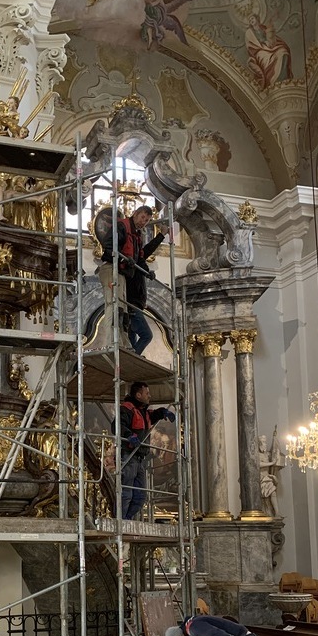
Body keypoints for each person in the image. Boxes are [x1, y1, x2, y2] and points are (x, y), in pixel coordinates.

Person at [100, 205, 164, 354]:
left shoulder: (137, 236)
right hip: (111, 268)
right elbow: (108, 247)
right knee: (113, 306)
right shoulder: (122, 226)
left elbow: (140, 258)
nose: (143, 222)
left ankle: (123, 344)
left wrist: (147, 272)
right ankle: (110, 342)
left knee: (122, 310)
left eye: (147, 220)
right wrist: (123, 259)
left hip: (122, 273)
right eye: (143, 218)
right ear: (135, 214)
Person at [117, 381, 174, 520]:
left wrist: (163, 412)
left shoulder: (142, 411)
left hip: (139, 458)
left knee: (140, 496)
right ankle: (121, 521)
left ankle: (127, 519)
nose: (149, 396)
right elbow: (118, 425)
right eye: (147, 393)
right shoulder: (126, 409)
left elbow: (152, 415)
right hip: (129, 456)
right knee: (126, 493)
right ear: (138, 395)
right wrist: (129, 436)